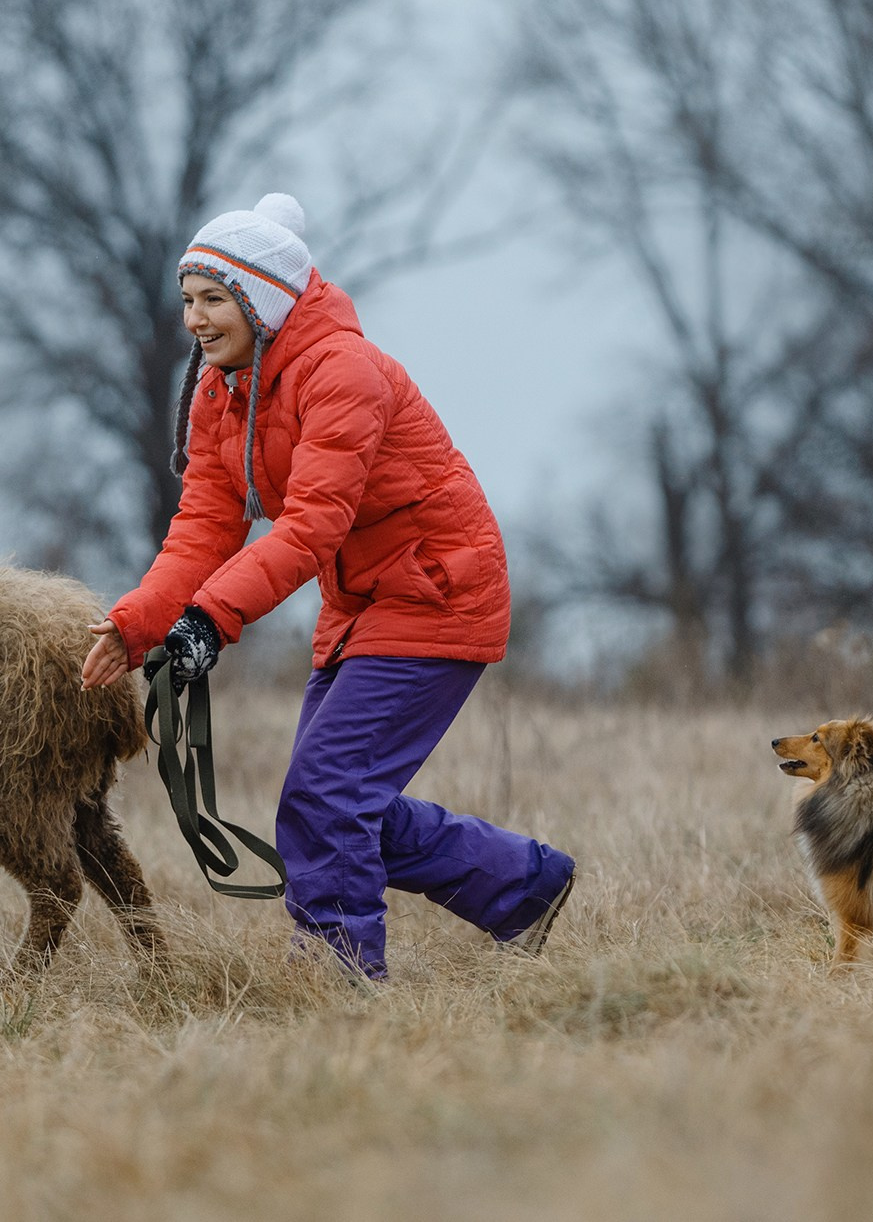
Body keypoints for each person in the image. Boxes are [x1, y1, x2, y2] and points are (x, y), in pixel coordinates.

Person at [80, 193, 576, 981]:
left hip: (437, 592)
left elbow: (311, 526)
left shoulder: (342, 372)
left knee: (325, 796)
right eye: (188, 300)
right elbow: (205, 527)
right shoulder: (223, 392)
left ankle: (338, 975)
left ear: (262, 299)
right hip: (361, 607)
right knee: (338, 805)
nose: (195, 320)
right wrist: (138, 623)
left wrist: (210, 619)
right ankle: (524, 885)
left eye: (213, 299)